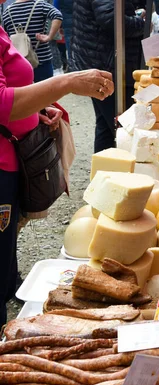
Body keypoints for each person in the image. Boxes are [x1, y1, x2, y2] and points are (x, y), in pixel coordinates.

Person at [0, 12, 114, 327]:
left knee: (6, 255)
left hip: (12, 160)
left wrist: (35, 110)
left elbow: (9, 85)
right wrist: (66, 82)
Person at [70, 0, 145, 153]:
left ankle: (103, 171)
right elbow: (111, 19)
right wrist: (142, 24)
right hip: (109, 64)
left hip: (103, 61)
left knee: (106, 123)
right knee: (123, 126)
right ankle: (118, 171)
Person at [2, 0, 63, 81]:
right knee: (45, 91)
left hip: (19, 62)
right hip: (42, 59)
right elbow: (57, 15)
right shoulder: (40, 5)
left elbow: (5, 36)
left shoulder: (7, 12)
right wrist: (49, 36)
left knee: (24, 92)